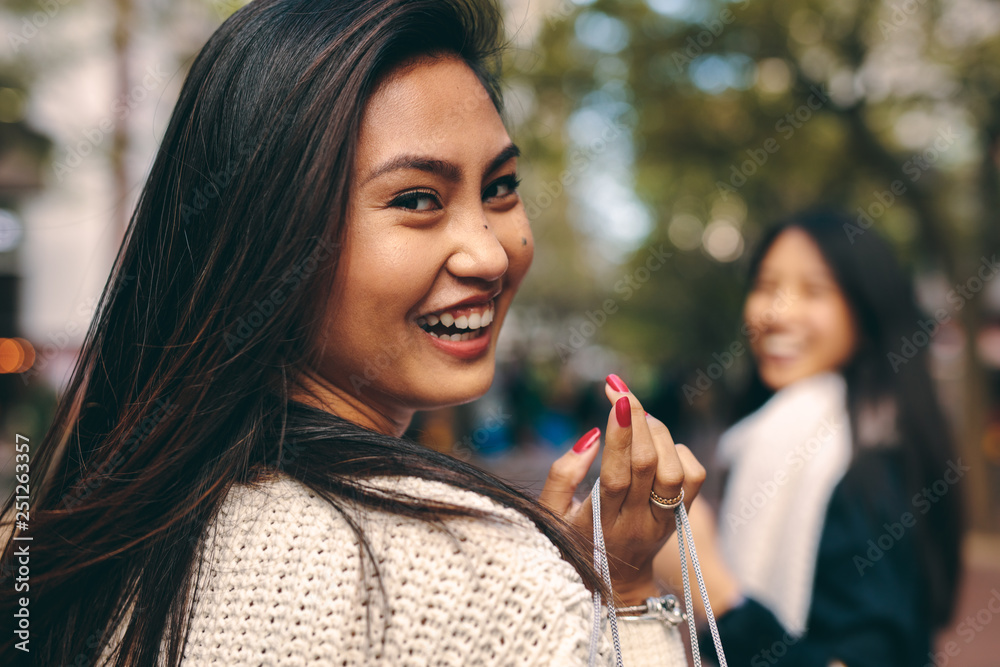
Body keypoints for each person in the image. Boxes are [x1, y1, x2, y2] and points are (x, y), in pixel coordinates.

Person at [0, 1, 704, 664]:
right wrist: (626, 598)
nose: (489, 252)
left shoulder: (88, 540)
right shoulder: (489, 582)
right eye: (417, 199)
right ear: (272, 235)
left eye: (499, 186)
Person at [654, 208, 965, 666]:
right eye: (765, 287)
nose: (777, 313)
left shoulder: (867, 463)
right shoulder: (778, 434)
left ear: (867, 309)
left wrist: (710, 586)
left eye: (814, 290)